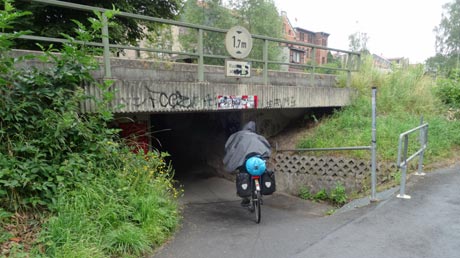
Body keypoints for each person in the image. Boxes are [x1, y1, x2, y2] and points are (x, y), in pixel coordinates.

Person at [223, 121, 271, 206]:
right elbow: (267, 145)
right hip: (257, 160)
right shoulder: (258, 136)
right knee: (261, 172)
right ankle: (260, 193)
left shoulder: (239, 135)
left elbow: (230, 145)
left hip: (245, 160)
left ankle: (245, 198)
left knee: (243, 173)